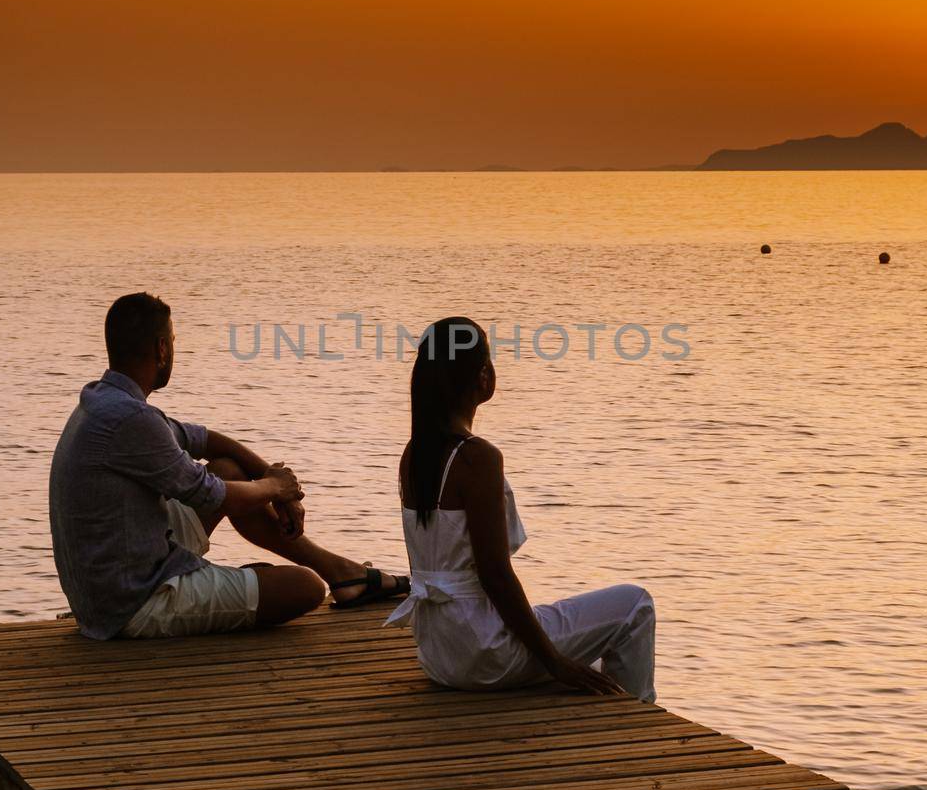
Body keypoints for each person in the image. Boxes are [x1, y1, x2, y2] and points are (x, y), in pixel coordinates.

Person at [50, 292, 408, 641]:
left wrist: (274, 480)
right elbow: (214, 496)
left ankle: (342, 574)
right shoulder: (130, 417)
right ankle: (265, 580)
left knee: (228, 468)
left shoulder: (105, 400)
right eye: (173, 341)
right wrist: (276, 487)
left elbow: (202, 439)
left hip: (117, 575)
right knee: (304, 588)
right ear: (161, 349)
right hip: (134, 602)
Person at [388, 316, 657, 700]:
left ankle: (613, 702)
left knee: (595, 659)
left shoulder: (414, 455)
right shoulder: (476, 457)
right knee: (634, 605)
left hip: (439, 652)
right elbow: (494, 575)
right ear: (483, 376)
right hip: (483, 652)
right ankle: (639, 721)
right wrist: (554, 661)